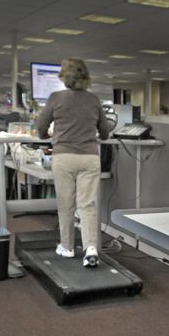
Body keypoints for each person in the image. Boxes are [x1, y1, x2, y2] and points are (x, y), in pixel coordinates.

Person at [36, 58, 112, 268]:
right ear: (86, 77)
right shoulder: (94, 100)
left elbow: (41, 129)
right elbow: (105, 133)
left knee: (66, 204)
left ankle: (67, 247)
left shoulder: (55, 97)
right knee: (87, 204)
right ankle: (90, 248)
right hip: (89, 157)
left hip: (64, 157)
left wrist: (52, 133)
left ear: (63, 77)